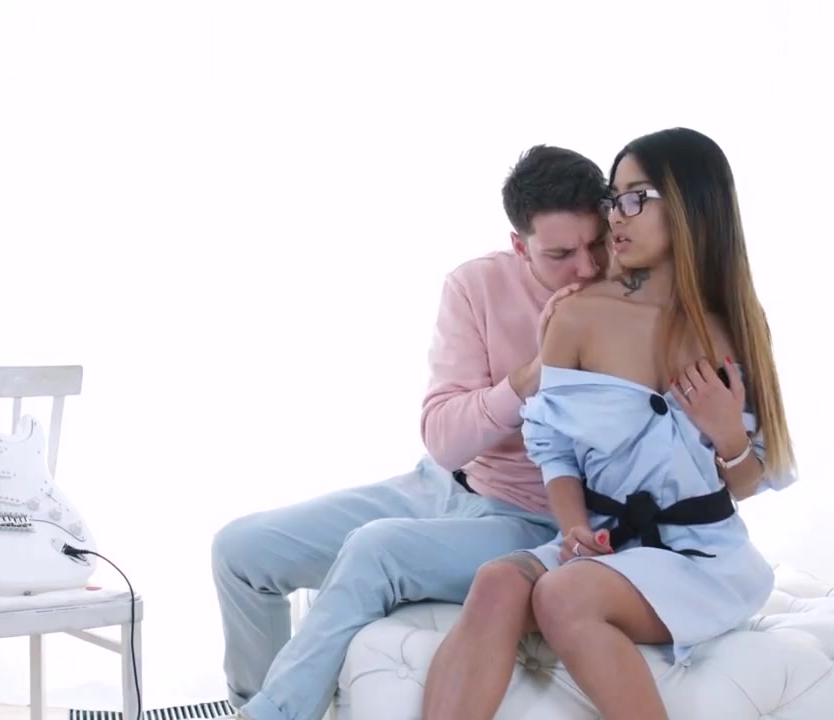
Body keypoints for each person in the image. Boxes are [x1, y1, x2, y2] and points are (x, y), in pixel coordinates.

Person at [209, 145, 615, 720]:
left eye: (597, 244)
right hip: (443, 485)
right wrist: (527, 379)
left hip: (532, 519)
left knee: (375, 549)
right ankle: (256, 703)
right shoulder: (475, 285)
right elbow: (444, 439)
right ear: (520, 246)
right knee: (239, 551)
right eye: (561, 254)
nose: (588, 268)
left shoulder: (626, 297)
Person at [421, 127, 799, 720]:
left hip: (700, 559)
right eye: (613, 198)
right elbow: (554, 448)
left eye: (635, 198)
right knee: (498, 582)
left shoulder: (734, 328)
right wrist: (574, 527)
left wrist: (728, 434)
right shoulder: (576, 317)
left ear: (691, 205)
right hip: (607, 544)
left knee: (563, 594)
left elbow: (746, 484)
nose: (616, 215)